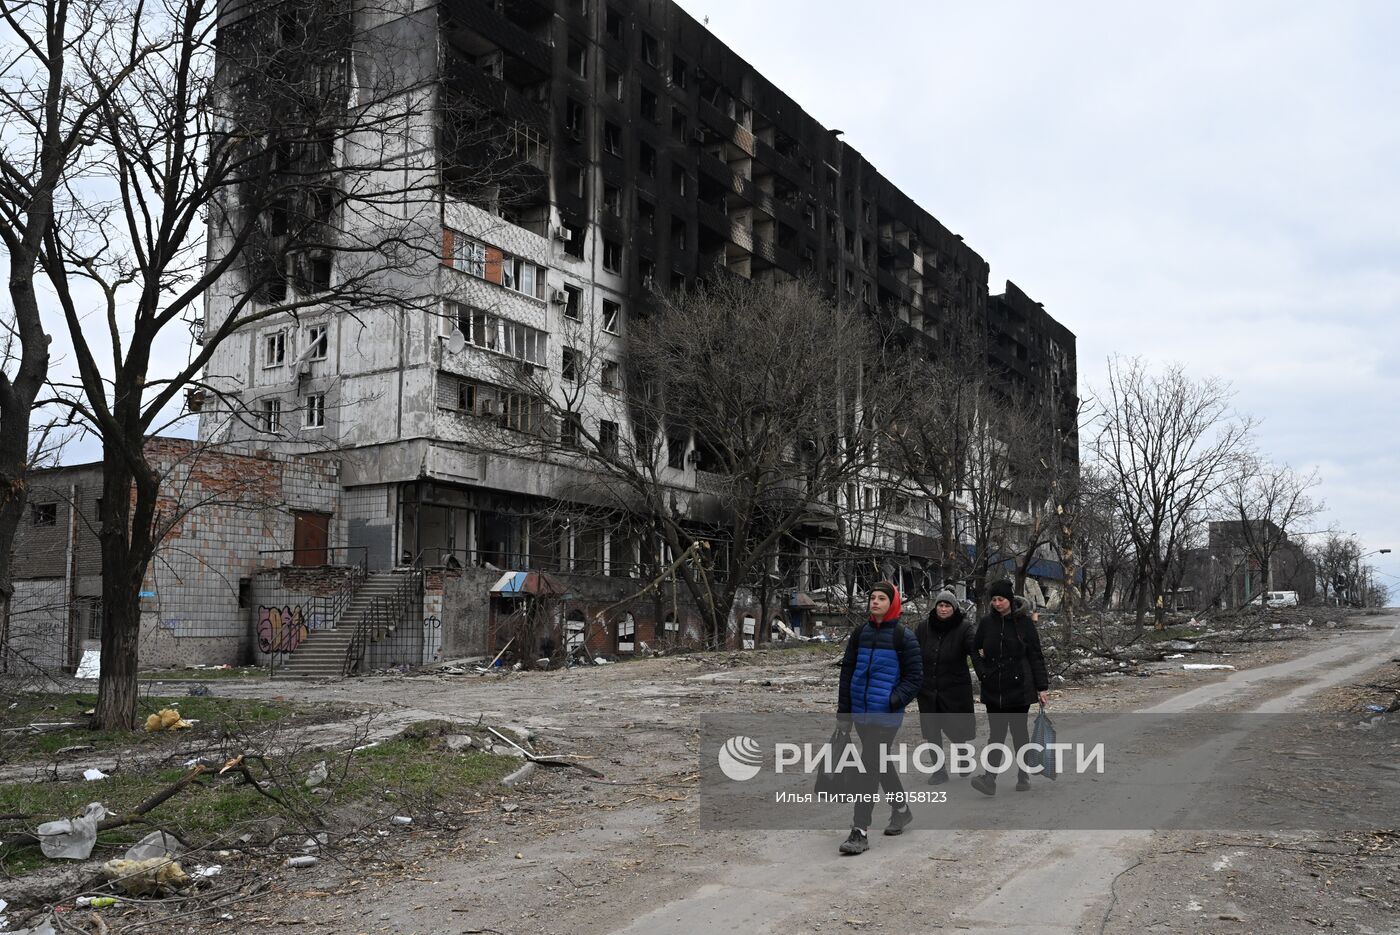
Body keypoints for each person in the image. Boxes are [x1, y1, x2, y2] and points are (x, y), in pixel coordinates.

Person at [835, 581, 923, 855]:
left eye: (881, 598)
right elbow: (847, 673)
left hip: (885, 715)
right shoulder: (860, 634)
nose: (874, 602)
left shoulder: (903, 637)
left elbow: (915, 678)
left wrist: (893, 700)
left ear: (892, 603)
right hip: (861, 714)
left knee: (868, 767)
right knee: (879, 763)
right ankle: (901, 809)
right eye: (872, 597)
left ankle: (859, 830)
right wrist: (844, 713)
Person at [971, 579, 1049, 795]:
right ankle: (989, 779)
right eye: (994, 599)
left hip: (1019, 687)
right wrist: (982, 672)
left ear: (1010, 600)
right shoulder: (987, 623)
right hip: (993, 686)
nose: (997, 603)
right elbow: (975, 649)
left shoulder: (1024, 623)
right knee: (995, 735)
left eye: (1001, 599)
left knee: (1019, 733)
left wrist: (1042, 687)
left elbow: (1036, 656)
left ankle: (1023, 775)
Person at [915, 588, 976, 785]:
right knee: (932, 731)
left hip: (954, 689)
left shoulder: (964, 628)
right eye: (940, 605)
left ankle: (964, 757)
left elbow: (973, 648)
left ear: (954, 608)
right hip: (928, 688)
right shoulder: (924, 627)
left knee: (954, 728)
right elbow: (913, 652)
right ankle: (939, 771)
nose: (943, 609)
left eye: (947, 605)